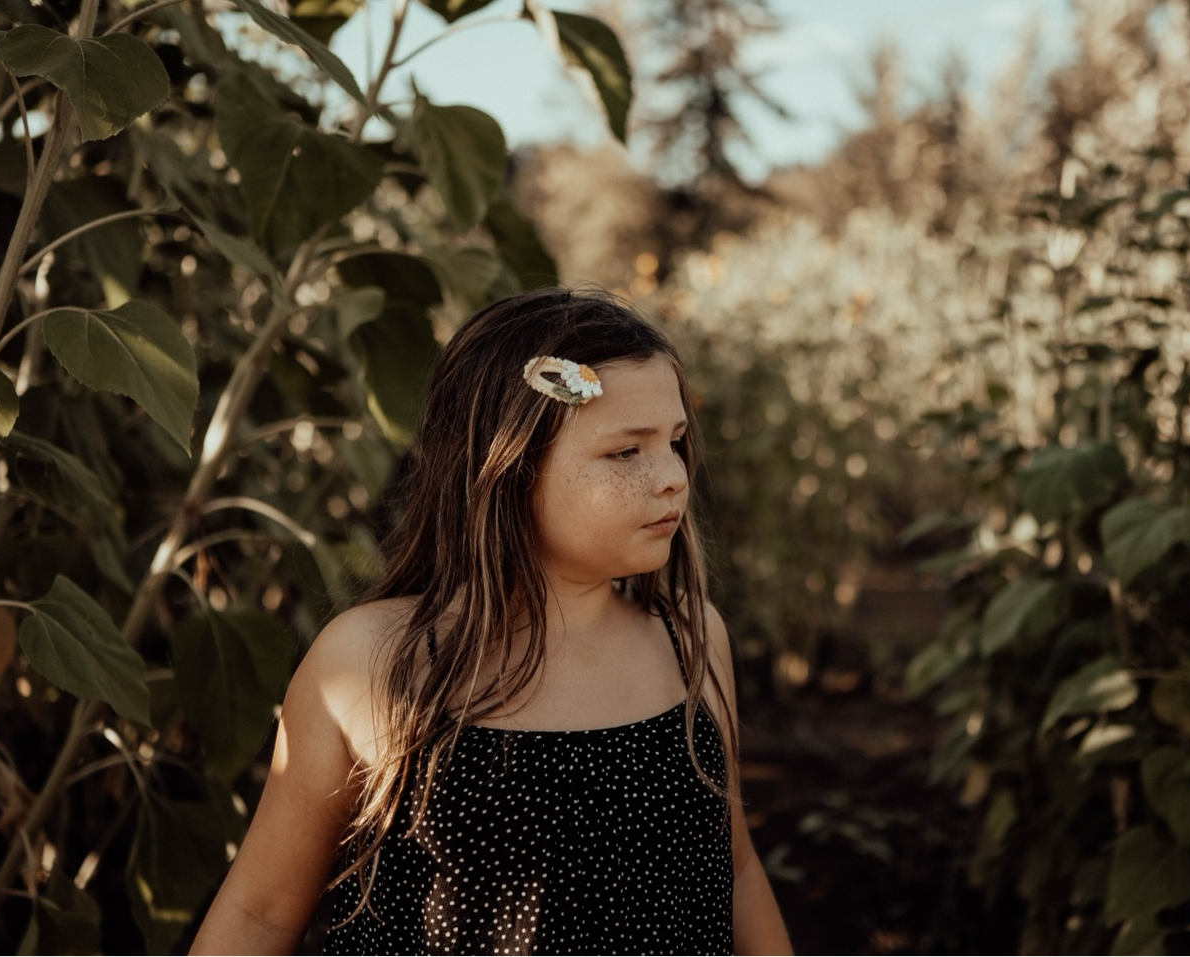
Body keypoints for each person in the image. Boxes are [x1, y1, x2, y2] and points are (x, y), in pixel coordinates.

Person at [189, 288, 794, 956]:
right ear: (505, 464)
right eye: (626, 451)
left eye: (675, 441)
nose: (673, 476)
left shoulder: (688, 639)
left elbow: (734, 869)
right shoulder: (370, 663)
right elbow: (260, 912)